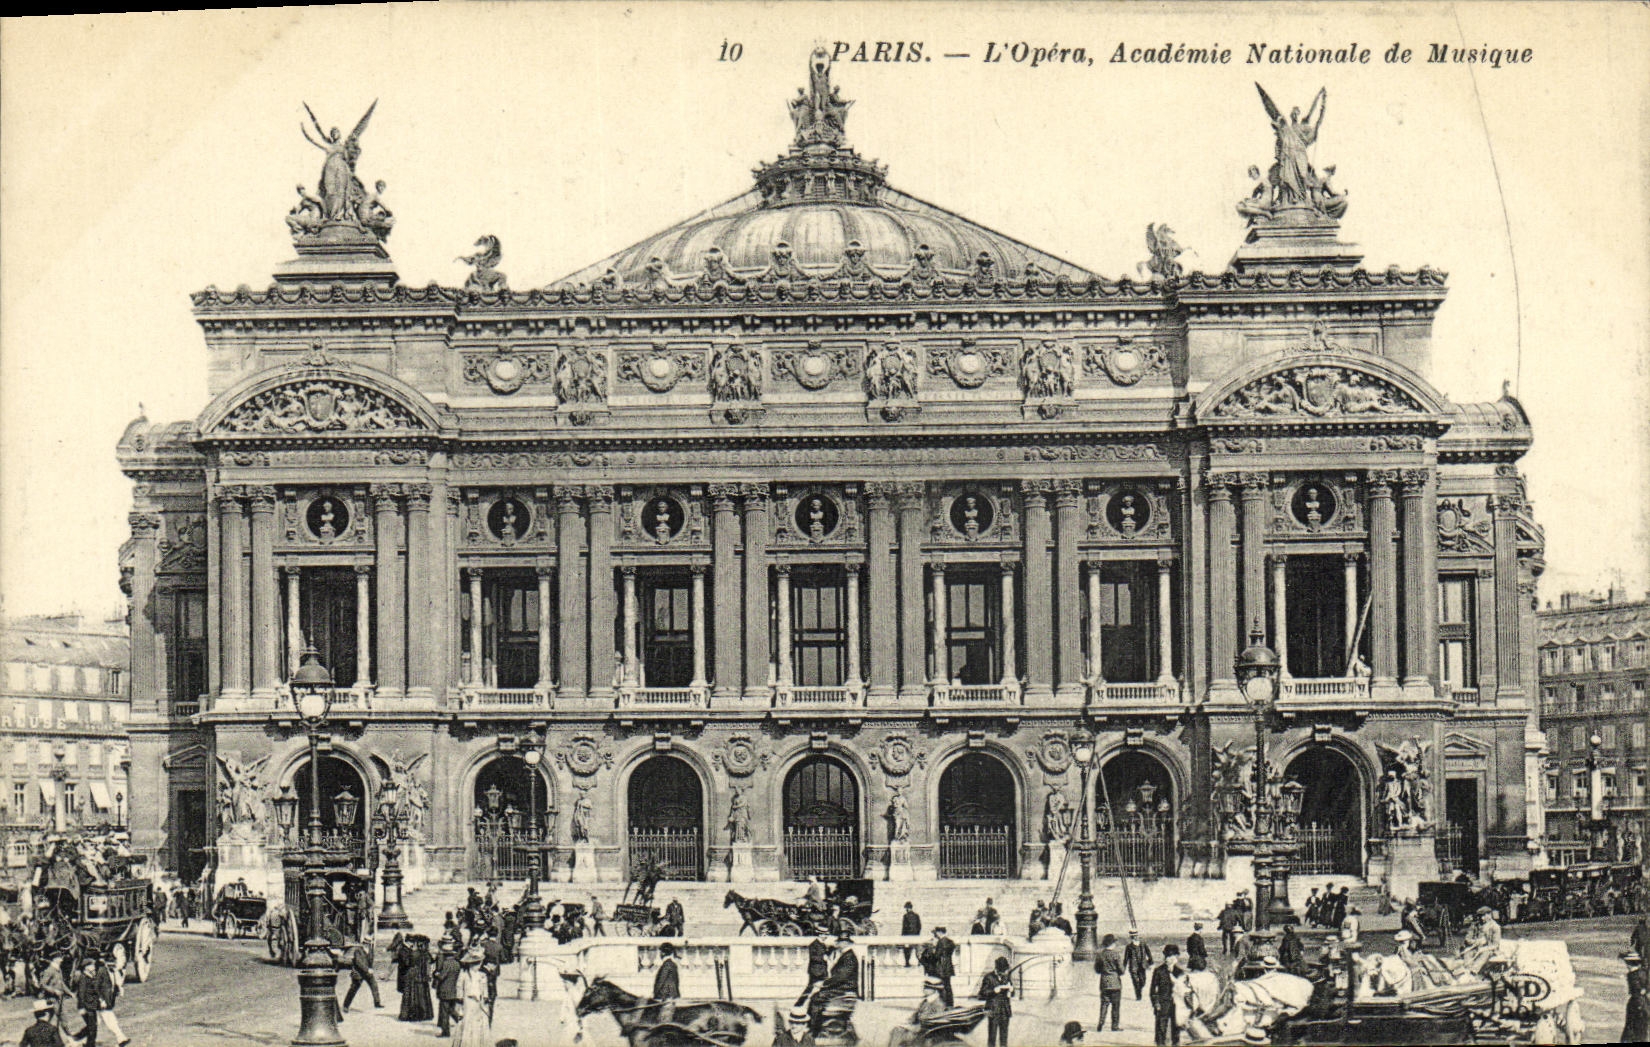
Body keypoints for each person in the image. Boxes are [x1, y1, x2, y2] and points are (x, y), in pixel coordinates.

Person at [453, 945, 491, 1047]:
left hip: (479, 1003)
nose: (477, 966)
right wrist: (459, 1002)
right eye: (475, 964)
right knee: (467, 1023)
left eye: (478, 963)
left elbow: (485, 990)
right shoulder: (464, 975)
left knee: (479, 1024)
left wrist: (485, 1000)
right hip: (468, 1002)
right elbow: (459, 988)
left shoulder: (482, 975)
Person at [394, 932, 434, 1022]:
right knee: (416, 995)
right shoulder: (421, 953)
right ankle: (418, 1014)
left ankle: (410, 1014)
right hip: (414, 975)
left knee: (411, 995)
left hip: (412, 975)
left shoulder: (413, 952)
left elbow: (409, 962)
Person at [977, 955, 1014, 1047]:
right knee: (992, 1036)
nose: (1005, 973)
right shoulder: (988, 977)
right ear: (998, 969)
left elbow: (1012, 992)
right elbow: (982, 993)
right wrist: (994, 991)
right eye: (1003, 971)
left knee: (1004, 1037)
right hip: (993, 1010)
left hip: (1005, 1010)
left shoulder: (1006, 977)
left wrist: (1011, 991)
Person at [1150, 943, 1182, 1046]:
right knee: (1160, 1029)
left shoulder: (1179, 972)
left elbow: (1183, 990)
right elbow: (1153, 990)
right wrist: (1156, 1003)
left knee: (1176, 1029)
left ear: (1176, 957)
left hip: (1176, 1004)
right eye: (1167, 956)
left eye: (1172, 956)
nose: (1168, 959)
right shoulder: (1158, 971)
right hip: (1162, 1003)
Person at [340, 936, 383, 1012]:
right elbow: (358, 962)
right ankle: (345, 1006)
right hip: (358, 973)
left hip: (367, 973)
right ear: (363, 943)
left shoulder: (370, 950)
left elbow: (370, 961)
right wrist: (367, 969)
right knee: (353, 989)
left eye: (369, 943)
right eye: (366, 943)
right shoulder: (358, 951)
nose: (367, 945)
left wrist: (370, 969)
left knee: (374, 985)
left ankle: (377, 1003)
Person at [433, 938, 462, 1037]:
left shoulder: (446, 964)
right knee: (451, 1009)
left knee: (444, 1012)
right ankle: (460, 1020)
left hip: (444, 990)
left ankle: (445, 1032)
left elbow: (442, 977)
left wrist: (436, 974)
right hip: (453, 990)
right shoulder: (457, 964)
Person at [1095, 933, 1124, 1032]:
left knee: (1104, 1003)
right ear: (1112, 943)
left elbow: (1097, 969)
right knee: (1115, 1006)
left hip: (1104, 982)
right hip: (1115, 983)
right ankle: (1114, 1026)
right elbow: (1122, 970)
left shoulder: (1100, 955)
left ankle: (1101, 1022)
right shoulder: (1116, 954)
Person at [652, 940, 681, 1026]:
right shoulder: (672, 964)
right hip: (670, 995)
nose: (660, 954)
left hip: (666, 995)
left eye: (660, 952)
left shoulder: (667, 964)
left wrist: (655, 994)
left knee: (664, 1019)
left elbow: (661, 981)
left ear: (663, 953)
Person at [1623, 951, 1648, 1044]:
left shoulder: (1632, 975)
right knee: (1642, 1031)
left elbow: (1635, 991)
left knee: (1631, 1030)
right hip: (1644, 1003)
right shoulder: (1644, 973)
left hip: (1636, 1004)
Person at [1124, 930, 1154, 1001]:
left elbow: (1148, 952)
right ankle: (1138, 996)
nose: (1135, 937)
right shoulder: (1129, 947)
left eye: (1136, 935)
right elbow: (1126, 958)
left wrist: (1151, 961)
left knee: (1143, 981)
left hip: (1142, 966)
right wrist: (1123, 967)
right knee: (1135, 981)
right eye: (1133, 936)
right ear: (1131, 937)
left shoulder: (1143, 944)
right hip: (1133, 967)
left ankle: (1139, 989)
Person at [901, 901, 922, 966]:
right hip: (915, 935)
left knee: (907, 949)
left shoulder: (905, 916)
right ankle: (919, 962)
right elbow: (919, 926)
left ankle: (907, 962)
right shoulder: (916, 915)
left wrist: (903, 936)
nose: (906, 909)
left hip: (907, 936)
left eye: (906, 908)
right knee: (916, 949)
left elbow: (904, 927)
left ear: (907, 908)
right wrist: (917, 934)